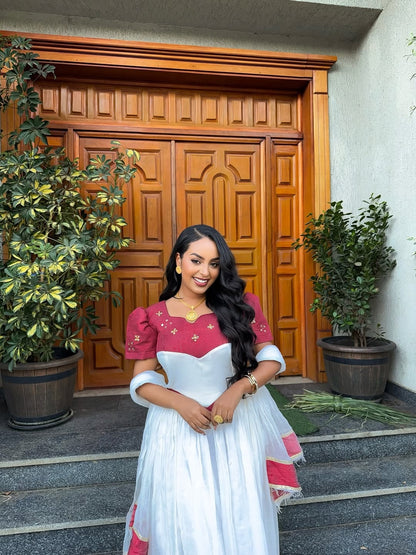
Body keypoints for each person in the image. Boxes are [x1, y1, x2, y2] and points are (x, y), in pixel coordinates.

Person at [123, 224, 303, 555]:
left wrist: (238, 390)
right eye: (196, 260)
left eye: (214, 263)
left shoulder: (241, 305)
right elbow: (141, 381)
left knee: (240, 513)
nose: (205, 272)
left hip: (237, 428)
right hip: (177, 432)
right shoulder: (150, 318)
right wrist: (180, 404)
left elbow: (272, 359)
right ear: (178, 262)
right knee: (186, 517)